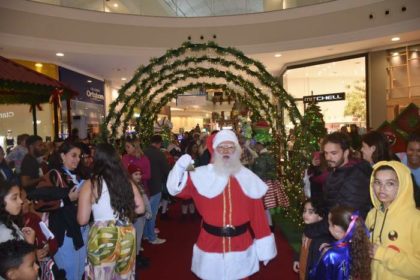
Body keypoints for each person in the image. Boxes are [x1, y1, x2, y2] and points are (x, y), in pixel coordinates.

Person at [167, 129, 277, 279]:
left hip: (241, 244)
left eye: (230, 147)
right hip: (210, 243)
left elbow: (258, 215)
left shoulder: (248, 178)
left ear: (236, 150)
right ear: (214, 150)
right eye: (221, 147)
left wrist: (264, 244)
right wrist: (181, 167)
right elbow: (177, 189)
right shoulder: (200, 174)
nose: (226, 151)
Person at [78, 143, 144, 279]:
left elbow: (82, 219)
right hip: (126, 231)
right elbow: (141, 208)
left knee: (101, 274)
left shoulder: (90, 183)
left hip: (102, 234)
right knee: (124, 274)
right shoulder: (127, 180)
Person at [365, 161, 420, 279]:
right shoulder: (372, 215)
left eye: (390, 183)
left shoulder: (416, 219)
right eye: (377, 182)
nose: (382, 188)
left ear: (403, 186)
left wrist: (382, 254)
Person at [309, 206, 371, 280]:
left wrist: (322, 256)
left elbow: (316, 276)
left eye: (329, 224)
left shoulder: (331, 255)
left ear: (336, 229)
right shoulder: (360, 247)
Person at [252, 141, 288, 228]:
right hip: (268, 182)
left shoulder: (262, 157)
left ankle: (268, 226)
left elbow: (260, 172)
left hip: (265, 183)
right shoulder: (266, 155)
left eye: (256, 144)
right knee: (266, 207)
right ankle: (268, 225)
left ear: (260, 145)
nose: (255, 146)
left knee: (265, 206)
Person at [293, 198, 331, 280]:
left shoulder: (320, 239)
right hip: (303, 270)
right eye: (304, 211)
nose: (305, 215)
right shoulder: (308, 229)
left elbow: (318, 266)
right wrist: (297, 259)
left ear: (320, 216)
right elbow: (302, 246)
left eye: (310, 212)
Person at [143, 135, 170, 244]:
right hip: (155, 186)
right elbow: (166, 170)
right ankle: (152, 237)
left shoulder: (143, 152)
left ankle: (145, 234)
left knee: (145, 212)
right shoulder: (159, 154)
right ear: (159, 143)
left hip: (144, 186)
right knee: (152, 213)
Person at [128, 163, 152, 269]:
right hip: (136, 217)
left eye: (140, 174)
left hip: (141, 217)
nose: (139, 176)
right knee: (136, 239)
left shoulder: (138, 185)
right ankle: (135, 260)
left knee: (139, 237)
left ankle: (138, 256)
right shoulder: (131, 187)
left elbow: (144, 200)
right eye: (136, 174)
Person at [0, 179, 35, 245]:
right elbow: (22, 255)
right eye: (14, 198)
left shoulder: (8, 220)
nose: (21, 201)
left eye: (19, 196)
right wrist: (30, 244)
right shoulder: (5, 233)